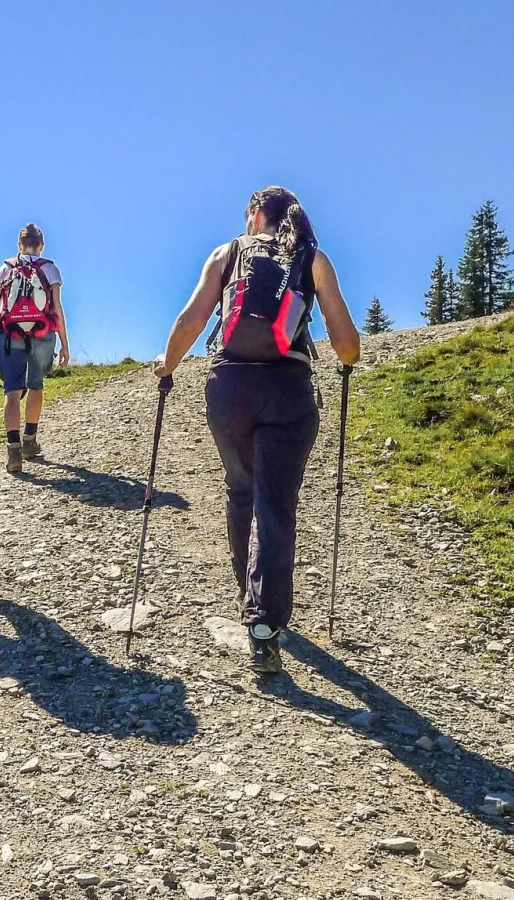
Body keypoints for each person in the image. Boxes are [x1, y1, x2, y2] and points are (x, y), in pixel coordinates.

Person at [153, 187, 360, 674]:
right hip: (288, 388)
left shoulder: (228, 253)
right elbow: (346, 344)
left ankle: (250, 592)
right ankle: (264, 625)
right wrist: (348, 359)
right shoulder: (312, 258)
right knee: (276, 501)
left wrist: (167, 367)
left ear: (254, 215)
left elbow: (192, 317)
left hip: (230, 388)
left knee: (241, 489)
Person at [0, 222, 70, 472]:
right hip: (42, 334)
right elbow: (56, 307)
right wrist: (65, 344)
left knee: (11, 393)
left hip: (10, 334)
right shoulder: (50, 269)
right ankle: (30, 440)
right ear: (41, 245)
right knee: (36, 385)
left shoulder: (6, 268)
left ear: (19, 245)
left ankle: (13, 450)